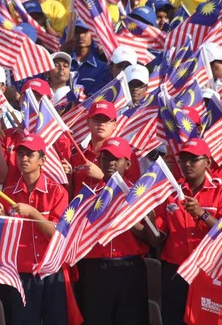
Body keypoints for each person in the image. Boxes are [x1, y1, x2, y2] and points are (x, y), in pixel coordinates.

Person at [152, 138, 222, 325]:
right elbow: (159, 235)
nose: (187, 164)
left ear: (207, 162)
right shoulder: (170, 194)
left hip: (208, 271)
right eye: (183, 160)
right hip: (176, 271)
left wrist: (202, 214)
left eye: (193, 159)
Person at [0, 133, 68, 325]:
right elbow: (3, 236)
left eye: (30, 154)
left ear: (43, 160)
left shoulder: (57, 191)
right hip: (21, 274)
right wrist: (0, 216)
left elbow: (59, 235)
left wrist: (32, 212)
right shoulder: (8, 193)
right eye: (20, 154)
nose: (23, 158)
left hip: (50, 272)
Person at [76, 137, 151, 325]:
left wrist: (126, 215)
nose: (109, 163)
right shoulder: (87, 193)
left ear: (128, 164)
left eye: (115, 159)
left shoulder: (139, 193)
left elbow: (152, 238)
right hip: (95, 269)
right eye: (105, 158)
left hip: (128, 268)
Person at [62, 19, 109, 96]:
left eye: (84, 31)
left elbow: (96, 94)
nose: (81, 35)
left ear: (92, 35)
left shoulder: (102, 68)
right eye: (77, 32)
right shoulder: (64, 63)